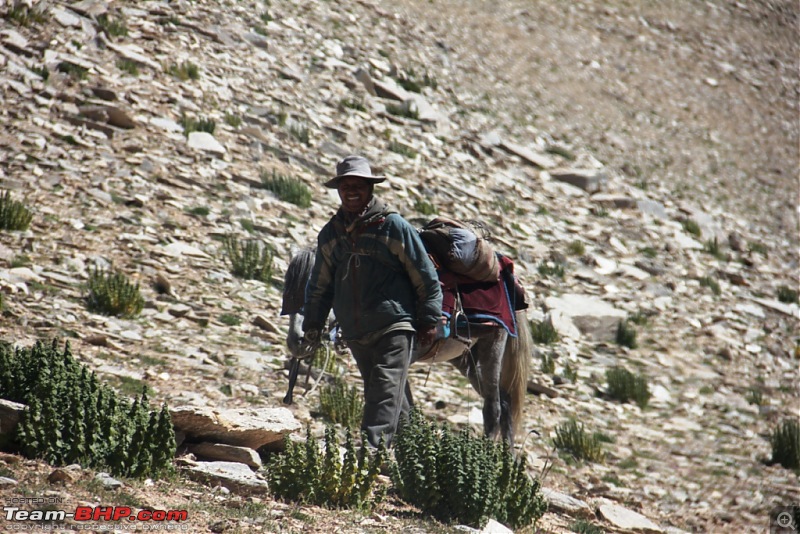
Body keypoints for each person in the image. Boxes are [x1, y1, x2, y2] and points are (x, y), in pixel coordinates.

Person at [301, 155, 443, 448]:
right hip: (355, 331)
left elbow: (425, 275)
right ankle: (414, 455)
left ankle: (370, 452)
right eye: (345, 186)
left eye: (358, 186)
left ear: (370, 188)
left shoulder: (392, 226)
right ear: (338, 190)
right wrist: (313, 323)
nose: (352, 191)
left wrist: (430, 319)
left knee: (383, 388)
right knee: (389, 392)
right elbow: (320, 285)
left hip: (394, 325)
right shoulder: (330, 234)